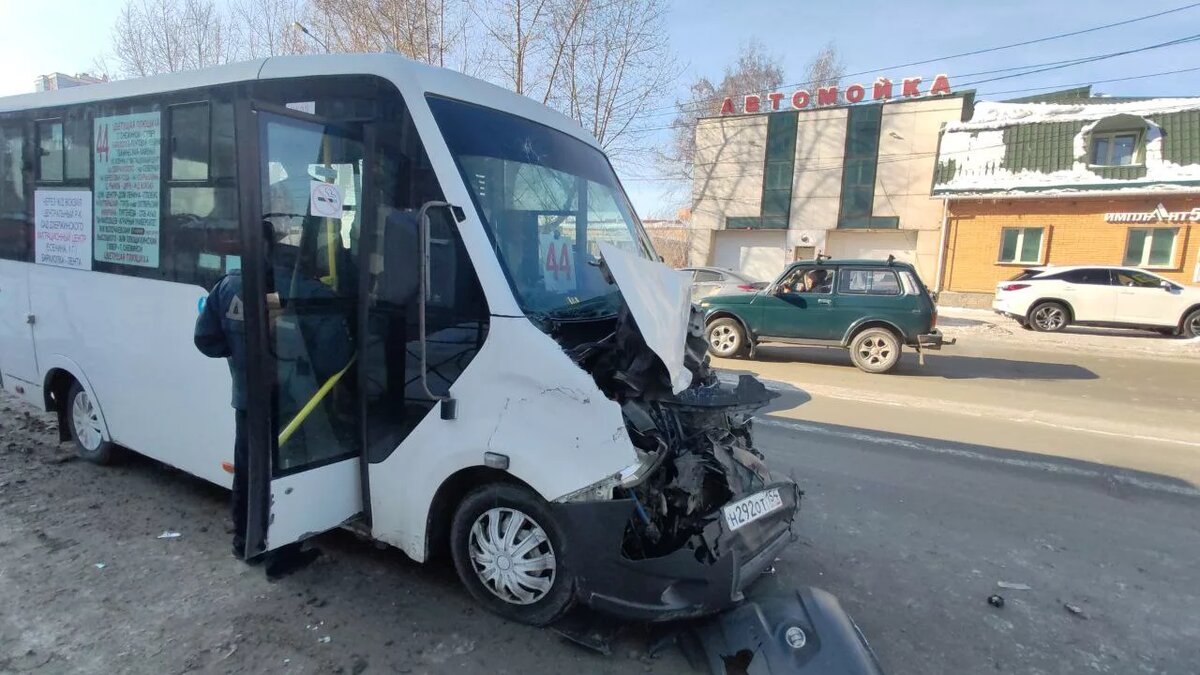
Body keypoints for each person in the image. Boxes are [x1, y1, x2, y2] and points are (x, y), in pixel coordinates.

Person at [194, 224, 320, 580]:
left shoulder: (228, 286)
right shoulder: (290, 287)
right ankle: (281, 555)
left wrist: (239, 358)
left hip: (247, 397)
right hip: (288, 400)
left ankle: (245, 543)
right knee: (284, 471)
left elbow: (205, 340)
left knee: (248, 470)